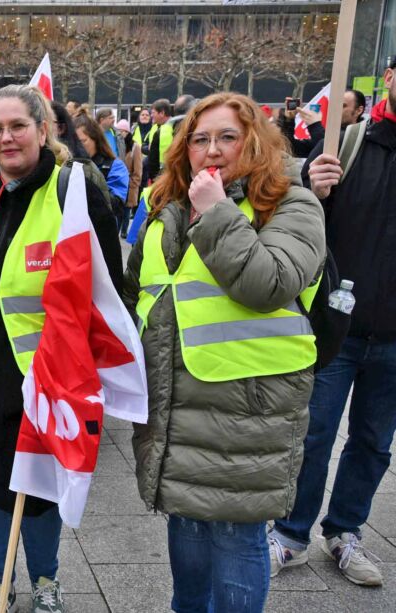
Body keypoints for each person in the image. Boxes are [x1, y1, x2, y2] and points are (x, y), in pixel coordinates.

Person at [123, 92, 325, 612]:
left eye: (227, 138)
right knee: (186, 524)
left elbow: (268, 283)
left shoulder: (292, 204)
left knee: (236, 535)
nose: (212, 150)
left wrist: (216, 212)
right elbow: (141, 290)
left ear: (254, 142)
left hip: (247, 407)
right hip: (176, 400)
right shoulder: (165, 207)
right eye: (200, 139)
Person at [0, 84, 122, 613]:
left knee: (39, 483)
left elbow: (107, 289)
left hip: (43, 371)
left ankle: (46, 581)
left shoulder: (73, 191)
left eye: (18, 126)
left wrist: (89, 367)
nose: (6, 137)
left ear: (44, 130)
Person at [269, 57, 396, 588]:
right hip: (335, 331)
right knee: (313, 433)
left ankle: (345, 531)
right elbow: (275, 192)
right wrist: (305, 176)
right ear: (389, 79)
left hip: (394, 339)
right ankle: (291, 533)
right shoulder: (345, 144)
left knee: (372, 442)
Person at [73, 112, 130, 209]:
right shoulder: (69, 165)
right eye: (74, 142)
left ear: (95, 139)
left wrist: (89, 178)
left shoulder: (115, 166)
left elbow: (116, 204)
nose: (78, 147)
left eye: (82, 141)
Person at [117, 119, 143, 239]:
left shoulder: (134, 147)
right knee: (117, 209)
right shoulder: (117, 145)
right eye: (119, 131)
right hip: (118, 181)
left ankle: (123, 231)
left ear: (127, 132)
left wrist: (133, 184)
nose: (120, 134)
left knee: (126, 210)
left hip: (129, 183)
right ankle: (116, 230)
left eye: (123, 131)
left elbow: (138, 169)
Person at [146, 99, 173, 179]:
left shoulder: (172, 129)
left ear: (162, 113)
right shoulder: (158, 128)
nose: (151, 115)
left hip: (164, 176)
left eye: (153, 113)